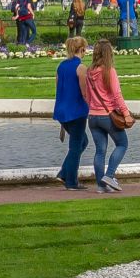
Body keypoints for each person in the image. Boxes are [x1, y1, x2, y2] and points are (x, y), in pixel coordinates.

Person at [82, 40, 131, 192]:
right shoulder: (109, 70)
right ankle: (109, 175)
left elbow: (88, 96)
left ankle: (101, 185)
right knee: (122, 144)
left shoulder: (90, 71)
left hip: (93, 116)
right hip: (107, 115)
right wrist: (126, 114)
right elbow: (117, 95)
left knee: (100, 151)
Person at [53, 36, 89, 190]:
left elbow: (58, 87)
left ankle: (64, 172)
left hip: (62, 111)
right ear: (82, 49)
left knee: (82, 142)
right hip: (76, 111)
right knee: (76, 146)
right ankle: (71, 182)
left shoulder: (61, 66)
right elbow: (84, 92)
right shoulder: (80, 67)